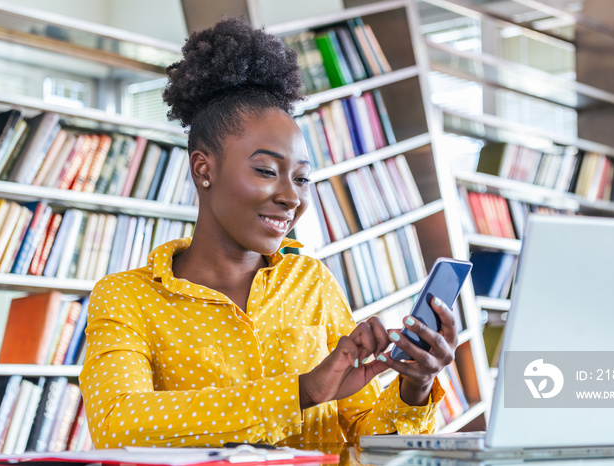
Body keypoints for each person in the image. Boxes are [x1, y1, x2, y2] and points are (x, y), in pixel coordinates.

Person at [80, 17, 458, 449]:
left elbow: (369, 442)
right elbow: (120, 424)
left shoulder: (311, 283)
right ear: (203, 168)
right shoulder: (127, 298)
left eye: (301, 179)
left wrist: (417, 383)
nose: (291, 197)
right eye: (265, 171)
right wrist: (303, 391)